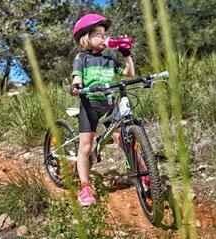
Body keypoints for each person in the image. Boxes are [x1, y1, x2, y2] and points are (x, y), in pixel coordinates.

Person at [70, 13, 137, 206]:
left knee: (122, 138)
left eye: (104, 33)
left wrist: (126, 54)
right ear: (86, 38)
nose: (103, 37)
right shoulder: (82, 58)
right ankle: (84, 187)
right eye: (98, 34)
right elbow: (77, 78)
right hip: (90, 104)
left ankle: (143, 173)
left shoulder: (108, 60)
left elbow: (129, 73)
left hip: (108, 104)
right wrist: (76, 86)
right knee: (86, 146)